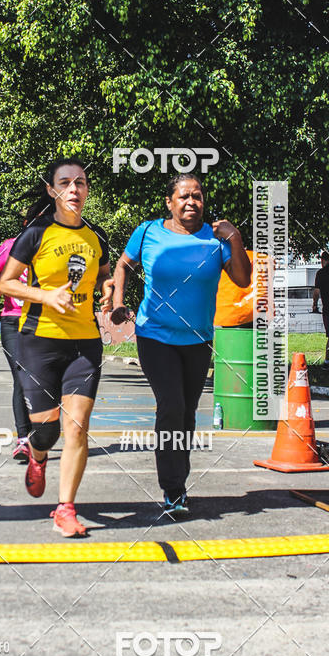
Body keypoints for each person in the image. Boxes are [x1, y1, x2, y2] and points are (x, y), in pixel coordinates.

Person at [102, 174, 250, 518]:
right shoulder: (149, 232)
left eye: (197, 196)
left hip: (198, 341)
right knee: (170, 405)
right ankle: (173, 488)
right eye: (184, 196)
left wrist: (236, 238)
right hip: (155, 336)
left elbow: (242, 280)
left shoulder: (216, 238)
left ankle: (177, 482)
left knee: (186, 413)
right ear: (169, 202)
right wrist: (120, 301)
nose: (191, 202)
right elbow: (123, 265)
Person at [0, 158, 110, 538]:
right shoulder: (35, 234)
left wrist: (110, 294)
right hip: (40, 340)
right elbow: (7, 284)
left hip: (85, 344)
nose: (74, 189)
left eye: (80, 182)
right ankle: (39, 453)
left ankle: (65, 508)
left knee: (77, 427)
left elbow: (106, 278)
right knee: (46, 433)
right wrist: (45, 295)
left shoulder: (97, 238)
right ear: (52, 190)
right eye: (65, 183)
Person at [0, 237, 32, 462]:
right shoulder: (11, 245)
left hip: (44, 321)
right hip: (13, 321)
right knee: (21, 374)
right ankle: (23, 438)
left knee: (43, 379)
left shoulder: (56, 243)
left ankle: (40, 429)